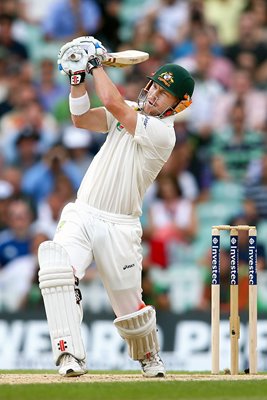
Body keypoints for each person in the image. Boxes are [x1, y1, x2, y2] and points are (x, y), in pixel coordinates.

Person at [38, 36, 194, 378]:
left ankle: (149, 354)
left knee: (130, 310)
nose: (152, 95)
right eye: (153, 87)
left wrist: (96, 63)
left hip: (120, 225)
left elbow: (110, 100)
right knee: (56, 269)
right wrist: (77, 80)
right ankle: (70, 355)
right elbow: (81, 119)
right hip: (83, 212)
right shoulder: (132, 111)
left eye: (162, 94)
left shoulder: (163, 134)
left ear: (176, 106)